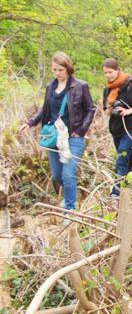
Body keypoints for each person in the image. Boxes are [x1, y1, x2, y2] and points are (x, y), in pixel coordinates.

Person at [18, 51, 95, 212]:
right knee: (57, 175)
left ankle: (70, 209)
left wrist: (81, 130)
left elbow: (90, 109)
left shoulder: (80, 86)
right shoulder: (50, 86)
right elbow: (44, 109)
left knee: (68, 174)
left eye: (60, 69)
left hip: (73, 136)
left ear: (68, 68)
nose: (57, 73)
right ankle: (70, 196)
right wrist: (30, 122)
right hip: (54, 136)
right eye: (54, 70)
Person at [102, 58, 132, 197]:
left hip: (130, 128)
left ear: (117, 70)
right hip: (116, 129)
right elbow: (106, 109)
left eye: (110, 72)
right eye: (105, 73)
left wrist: (128, 110)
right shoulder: (108, 89)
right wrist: (109, 109)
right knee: (129, 160)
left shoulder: (129, 85)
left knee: (121, 159)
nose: (108, 75)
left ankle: (117, 192)